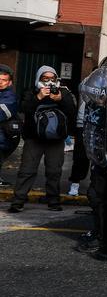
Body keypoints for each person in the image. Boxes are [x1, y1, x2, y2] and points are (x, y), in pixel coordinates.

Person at [8, 66, 77, 212]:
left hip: (56, 140)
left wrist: (60, 99)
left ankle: (53, 201)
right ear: (39, 79)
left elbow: (71, 111)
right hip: (34, 138)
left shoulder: (63, 92)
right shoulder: (30, 91)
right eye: (45, 79)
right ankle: (18, 201)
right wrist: (38, 97)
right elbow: (24, 108)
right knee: (27, 170)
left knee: (54, 171)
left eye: (52, 78)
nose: (49, 82)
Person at [0, 65, 20, 185]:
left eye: (4, 80)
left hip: (3, 139)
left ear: (10, 82)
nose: (0, 83)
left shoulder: (10, 97)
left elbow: (2, 113)